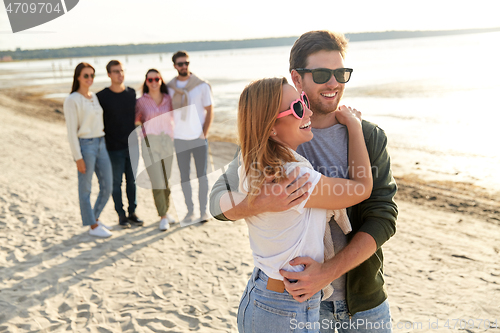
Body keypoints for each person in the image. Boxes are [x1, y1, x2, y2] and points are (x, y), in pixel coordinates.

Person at [209, 30, 398, 332]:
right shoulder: (268, 142)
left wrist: (327, 273)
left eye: (341, 73)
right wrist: (257, 203)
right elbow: (217, 199)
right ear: (297, 79)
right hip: (296, 301)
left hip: (363, 303)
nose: (334, 83)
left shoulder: (368, 136)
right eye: (322, 73)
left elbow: (383, 217)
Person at [234, 77, 372, 333]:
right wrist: (354, 126)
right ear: (271, 128)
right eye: (297, 108)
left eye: (304, 101)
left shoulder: (250, 164)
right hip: (283, 309)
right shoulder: (293, 177)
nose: (307, 111)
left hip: (264, 297)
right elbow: (362, 188)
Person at [64, 62, 113, 238]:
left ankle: (95, 218)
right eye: (86, 75)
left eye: (92, 75)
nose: (89, 79)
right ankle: (92, 226)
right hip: (85, 146)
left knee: (108, 185)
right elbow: (71, 132)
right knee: (85, 189)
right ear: (78, 77)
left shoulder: (94, 97)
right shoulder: (72, 100)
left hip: (101, 143)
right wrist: (78, 157)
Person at [166, 51, 213, 223]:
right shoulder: (170, 87)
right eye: (180, 64)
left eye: (186, 63)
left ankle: (203, 211)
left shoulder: (201, 85)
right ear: (174, 66)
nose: (184, 66)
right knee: (184, 177)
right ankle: (190, 211)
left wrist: (204, 133)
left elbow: (209, 110)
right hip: (179, 138)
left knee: (202, 176)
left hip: (198, 138)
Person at [96, 60, 143, 229]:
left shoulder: (131, 93)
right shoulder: (101, 96)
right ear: (109, 74)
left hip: (132, 146)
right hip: (113, 148)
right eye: (115, 71)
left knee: (132, 182)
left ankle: (132, 213)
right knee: (116, 183)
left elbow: (138, 117)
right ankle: (121, 215)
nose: (119, 74)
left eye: (121, 70)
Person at [135, 69, 175, 231]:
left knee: (166, 180)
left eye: (156, 79)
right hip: (150, 143)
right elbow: (135, 121)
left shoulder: (169, 99)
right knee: (157, 180)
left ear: (161, 80)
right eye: (150, 79)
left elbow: (180, 114)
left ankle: (166, 210)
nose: (153, 82)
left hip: (167, 142)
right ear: (146, 81)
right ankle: (163, 216)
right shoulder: (141, 102)